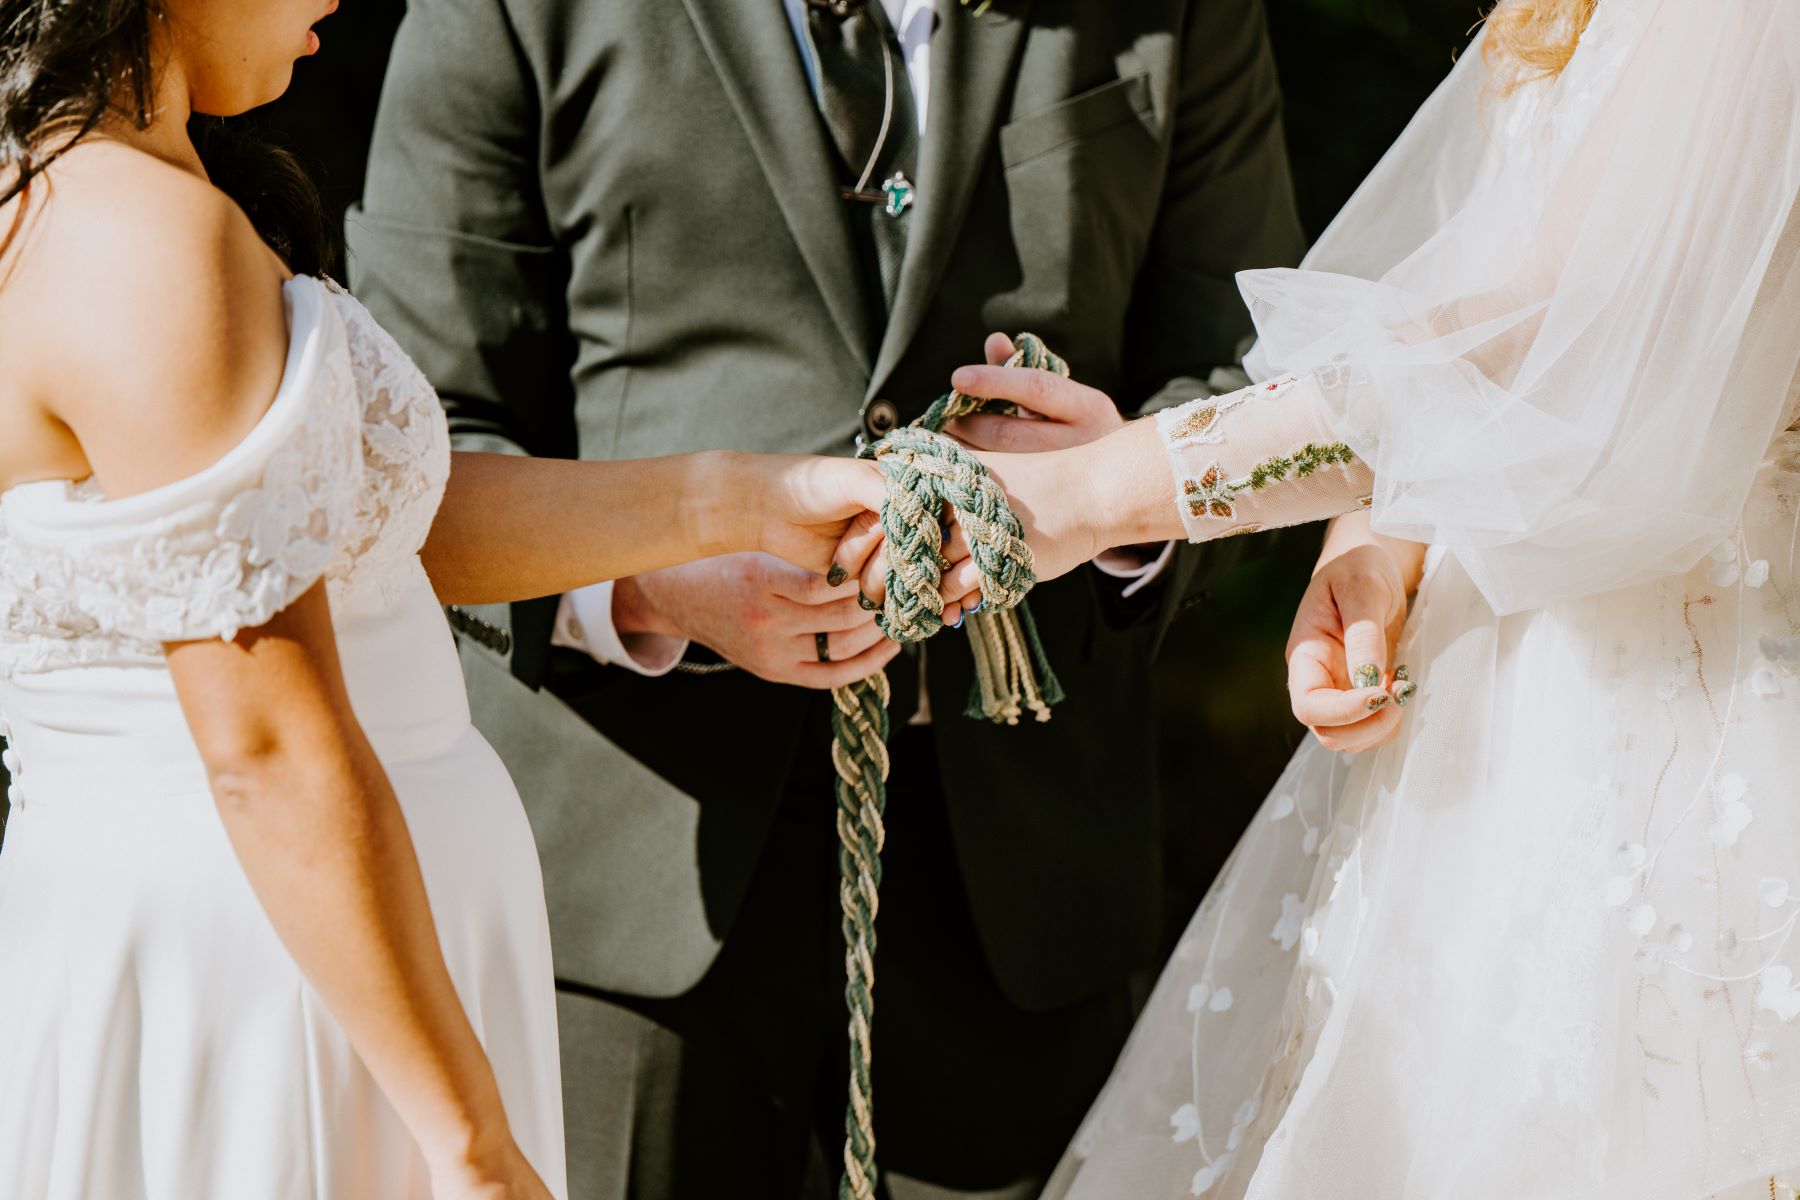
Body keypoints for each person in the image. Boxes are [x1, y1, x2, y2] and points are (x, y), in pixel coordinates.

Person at [346, 0, 1303, 1195]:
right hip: (626, 897)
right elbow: (416, 441)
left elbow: (1250, 365)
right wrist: (646, 584)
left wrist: (1111, 500)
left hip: (1021, 895)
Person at [892, 0, 1800, 1193]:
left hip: (1691, 738)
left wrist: (1102, 490)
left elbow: (1561, 321)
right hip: (1482, 729)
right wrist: (1376, 544)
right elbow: (1471, 298)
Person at [0, 4, 890, 1197]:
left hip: (320, 959)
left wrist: (733, 500)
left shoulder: (111, 198)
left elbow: (364, 529)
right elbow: (266, 746)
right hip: (280, 984)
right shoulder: (143, 241)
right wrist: (472, 1147)